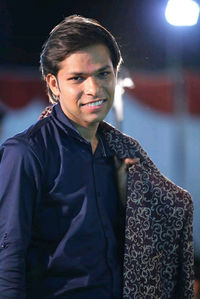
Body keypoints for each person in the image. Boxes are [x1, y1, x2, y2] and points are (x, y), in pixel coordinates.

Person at [0, 15, 194, 299]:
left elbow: (168, 218)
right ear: (54, 84)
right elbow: (8, 258)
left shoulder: (125, 153)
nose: (94, 89)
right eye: (78, 78)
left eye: (103, 74)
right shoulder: (27, 153)